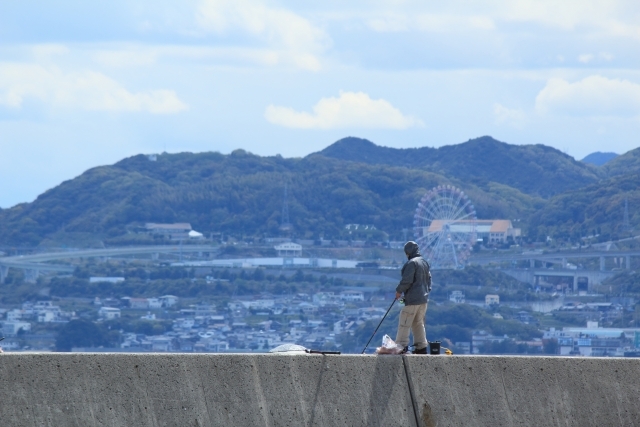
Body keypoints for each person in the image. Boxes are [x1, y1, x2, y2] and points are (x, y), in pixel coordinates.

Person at [395, 241, 431, 354]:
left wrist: (398, 291)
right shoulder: (424, 262)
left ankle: (401, 346)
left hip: (412, 299)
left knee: (404, 321)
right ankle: (421, 347)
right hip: (423, 300)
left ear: (408, 252)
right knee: (418, 322)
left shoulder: (411, 263)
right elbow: (429, 281)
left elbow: (407, 281)